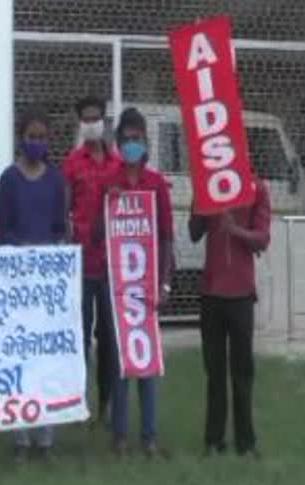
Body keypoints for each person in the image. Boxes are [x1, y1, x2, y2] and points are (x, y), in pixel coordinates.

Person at [92, 107, 174, 459]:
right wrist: (107, 204)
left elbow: (167, 237)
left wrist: (165, 284)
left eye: (137, 139)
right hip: (118, 288)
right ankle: (120, 437)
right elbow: (96, 234)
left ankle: (150, 436)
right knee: (121, 362)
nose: (131, 145)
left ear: (146, 141)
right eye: (126, 139)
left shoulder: (156, 184)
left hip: (148, 285)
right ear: (118, 142)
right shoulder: (108, 180)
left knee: (148, 362)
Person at [0, 107, 66, 463]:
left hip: (47, 285)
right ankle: (20, 439)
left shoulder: (56, 180)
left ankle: (46, 439)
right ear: (21, 138)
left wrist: (51, 254)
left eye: (42, 137)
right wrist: (19, 255)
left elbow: (59, 228)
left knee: (45, 359)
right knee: (19, 357)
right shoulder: (8, 179)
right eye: (31, 136)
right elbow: (4, 228)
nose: (36, 142)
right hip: (17, 282)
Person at [189, 181, 271, 458]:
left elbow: (262, 238)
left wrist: (235, 230)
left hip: (241, 293)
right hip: (211, 292)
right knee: (214, 371)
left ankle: (245, 442)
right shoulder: (209, 185)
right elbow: (194, 233)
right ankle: (213, 440)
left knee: (242, 371)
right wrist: (201, 202)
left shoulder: (257, 188)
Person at [62, 95, 121, 423]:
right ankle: (76, 400)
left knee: (110, 338)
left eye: (96, 117)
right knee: (80, 335)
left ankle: (107, 402)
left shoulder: (116, 164)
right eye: (86, 118)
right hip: (81, 264)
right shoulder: (72, 163)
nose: (92, 123)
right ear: (80, 124)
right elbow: (64, 208)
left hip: (112, 264)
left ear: (104, 121)